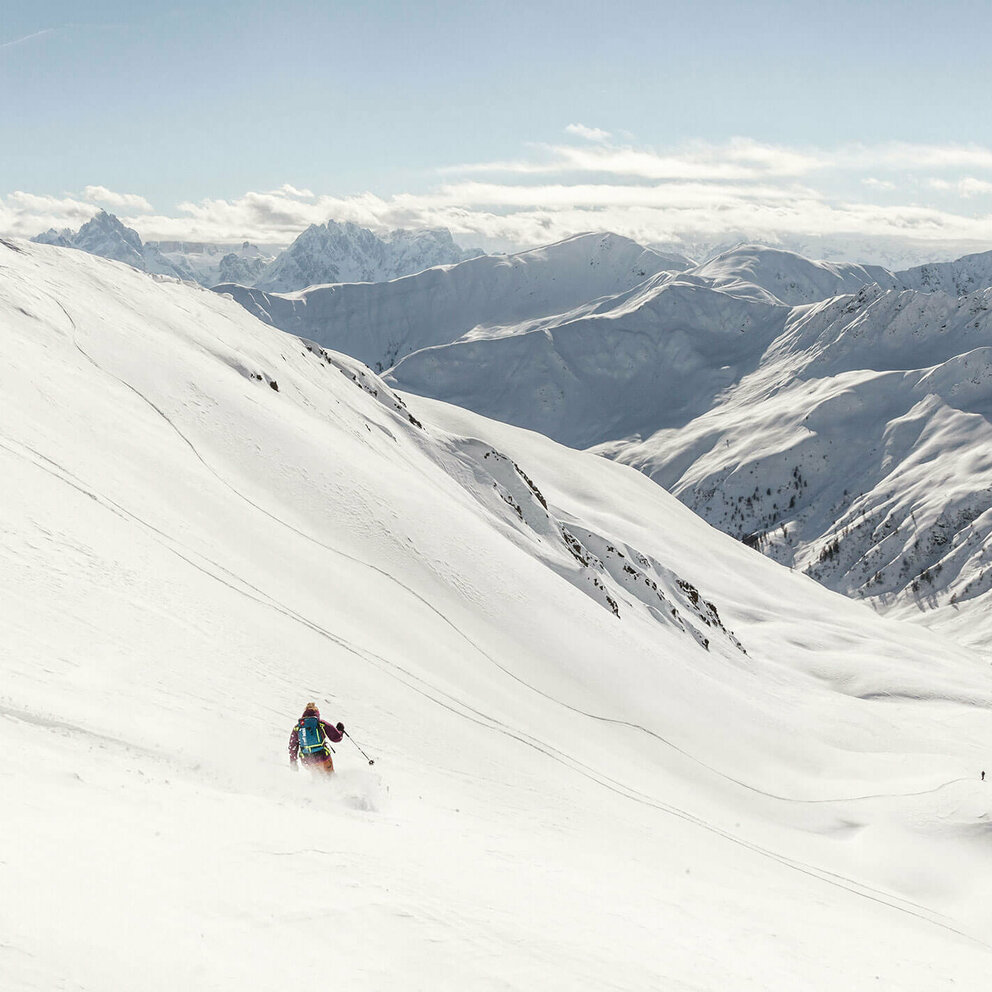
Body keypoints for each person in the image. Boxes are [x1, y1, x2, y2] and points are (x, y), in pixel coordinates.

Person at [289, 702, 344, 774]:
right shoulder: (320, 723)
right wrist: (340, 730)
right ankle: (335, 784)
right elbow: (336, 738)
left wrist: (293, 761)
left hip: (308, 760)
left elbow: (292, 746)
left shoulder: (298, 727)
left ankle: (317, 784)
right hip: (323, 757)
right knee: (330, 777)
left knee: (317, 779)